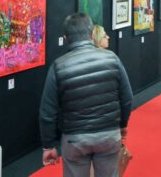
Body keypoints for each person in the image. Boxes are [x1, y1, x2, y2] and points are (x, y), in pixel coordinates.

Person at [39, 13, 133, 177]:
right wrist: (122, 124)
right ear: (91, 34)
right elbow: (127, 98)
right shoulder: (112, 59)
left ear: (66, 38)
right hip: (108, 134)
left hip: (75, 139)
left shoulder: (58, 67)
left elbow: (47, 112)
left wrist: (48, 145)